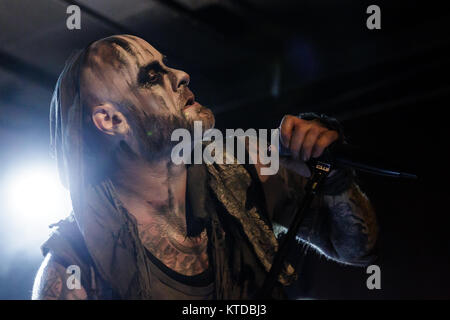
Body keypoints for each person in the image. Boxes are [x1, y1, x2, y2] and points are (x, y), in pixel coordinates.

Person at [31, 35, 378, 300]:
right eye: (153, 76)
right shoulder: (73, 271)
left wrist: (334, 181)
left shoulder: (242, 167)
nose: (181, 75)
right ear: (111, 120)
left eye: (167, 65)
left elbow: (357, 248)